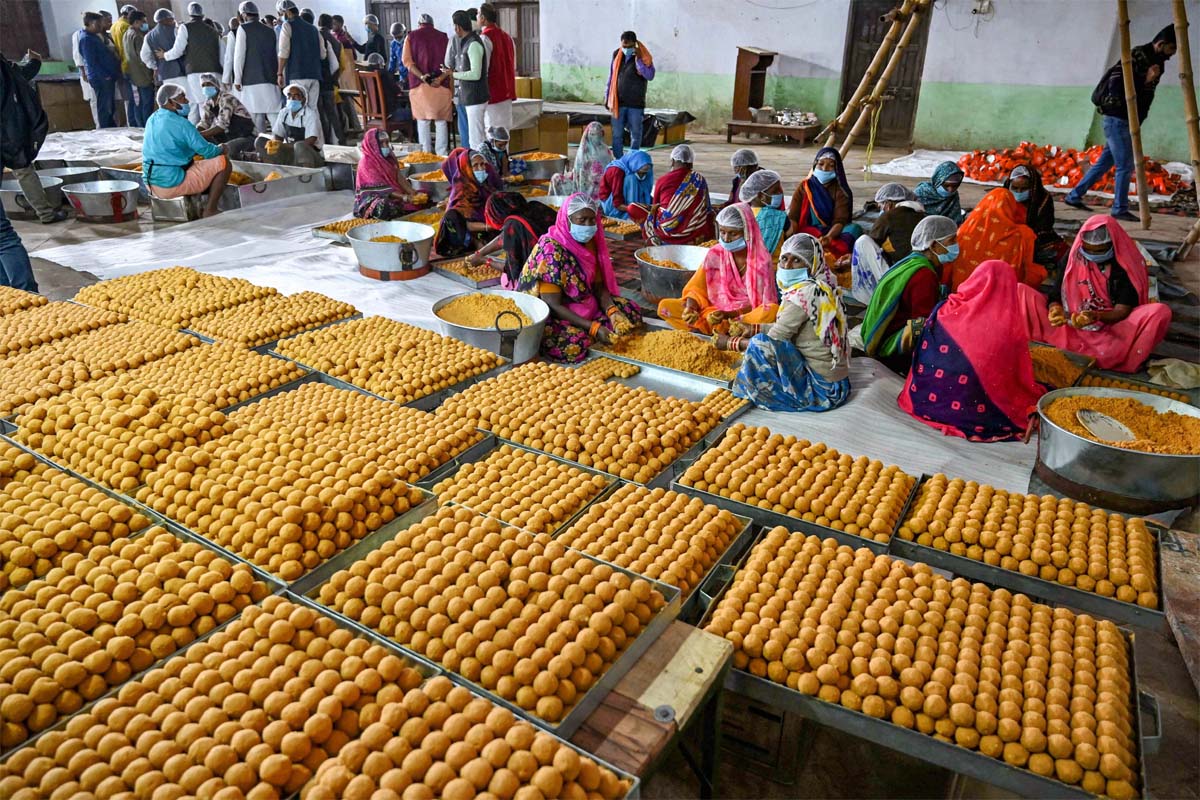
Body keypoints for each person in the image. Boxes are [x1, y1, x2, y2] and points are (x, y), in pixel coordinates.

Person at [900, 260, 1045, 442]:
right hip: (973, 412)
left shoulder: (944, 309)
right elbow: (1010, 375)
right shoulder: (1005, 327)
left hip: (923, 400)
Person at [1018, 215, 1171, 373]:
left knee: (1159, 312)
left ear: (1113, 245)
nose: (1093, 255)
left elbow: (1122, 310)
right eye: (1088, 250)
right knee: (1020, 292)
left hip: (1110, 329)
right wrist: (1054, 308)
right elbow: (1056, 293)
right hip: (1069, 323)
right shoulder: (1073, 257)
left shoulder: (1125, 264)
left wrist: (1096, 316)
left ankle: (1114, 357)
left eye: (1100, 251)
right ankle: (1062, 344)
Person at [718, 233, 850, 412]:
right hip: (837, 382)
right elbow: (789, 328)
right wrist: (753, 328)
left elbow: (773, 341)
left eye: (797, 260)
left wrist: (731, 343)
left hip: (823, 390)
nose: (787, 266)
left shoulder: (804, 295)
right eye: (784, 259)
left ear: (811, 264)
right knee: (761, 338)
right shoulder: (823, 286)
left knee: (758, 346)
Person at [1066, 25, 1177, 220]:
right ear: (1160, 44)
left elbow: (1144, 95)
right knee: (1125, 165)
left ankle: (1074, 196)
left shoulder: (1157, 61)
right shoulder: (1136, 57)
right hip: (1117, 119)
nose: (1170, 56)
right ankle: (1119, 209)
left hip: (1126, 120)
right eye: (1170, 50)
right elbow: (1122, 90)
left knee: (1104, 163)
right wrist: (1147, 79)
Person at [518, 194, 643, 363]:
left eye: (592, 220)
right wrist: (593, 328)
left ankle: (600, 328)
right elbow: (553, 305)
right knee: (574, 345)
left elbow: (598, 287)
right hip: (557, 314)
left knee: (630, 312)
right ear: (567, 220)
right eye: (581, 220)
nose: (588, 225)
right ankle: (594, 333)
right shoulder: (551, 250)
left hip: (586, 304)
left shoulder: (590, 243)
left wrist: (612, 312)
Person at [658, 203, 779, 335]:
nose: (726, 239)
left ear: (747, 232)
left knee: (771, 311)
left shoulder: (761, 261)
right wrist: (691, 308)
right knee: (665, 306)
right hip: (712, 310)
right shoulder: (716, 253)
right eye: (723, 232)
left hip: (740, 315)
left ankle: (715, 328)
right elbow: (697, 288)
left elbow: (760, 303)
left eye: (733, 234)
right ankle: (717, 329)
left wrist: (728, 314)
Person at [860, 214, 954, 361]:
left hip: (883, 332)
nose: (956, 245)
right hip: (890, 346)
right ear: (934, 245)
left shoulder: (911, 261)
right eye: (952, 241)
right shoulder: (924, 275)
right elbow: (925, 324)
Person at [143, 82, 232, 218]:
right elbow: (208, 151)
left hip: (150, 183)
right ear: (170, 102)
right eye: (182, 97)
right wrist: (221, 148)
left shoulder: (152, 119)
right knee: (223, 162)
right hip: (170, 183)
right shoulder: (181, 124)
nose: (187, 101)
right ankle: (210, 209)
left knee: (197, 163)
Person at [1, 52, 67, 226]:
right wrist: (34, 62)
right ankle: (45, 213)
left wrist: (34, 62)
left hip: (7, 128)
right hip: (7, 130)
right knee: (23, 169)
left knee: (23, 170)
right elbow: (20, 74)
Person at [952, 185, 1045, 290]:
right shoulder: (1022, 235)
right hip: (1001, 298)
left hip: (961, 293)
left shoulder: (965, 230)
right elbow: (1027, 272)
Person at [851, 182, 925, 304]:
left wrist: (851, 258)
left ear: (889, 204)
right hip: (919, 271)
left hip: (900, 275)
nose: (881, 210)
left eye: (881, 206)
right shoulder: (921, 214)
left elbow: (872, 242)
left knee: (862, 242)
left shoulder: (888, 217)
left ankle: (880, 291)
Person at [627, 144, 714, 245]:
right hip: (694, 231)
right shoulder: (699, 179)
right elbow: (707, 207)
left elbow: (656, 206)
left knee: (632, 208)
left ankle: (658, 238)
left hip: (666, 231)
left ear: (672, 161)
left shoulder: (663, 180)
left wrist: (674, 214)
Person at [468, 191, 557, 288]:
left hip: (546, 270)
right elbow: (502, 238)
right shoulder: (533, 206)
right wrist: (479, 253)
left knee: (506, 280)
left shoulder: (513, 225)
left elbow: (512, 269)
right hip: (562, 258)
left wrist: (485, 260)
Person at [788, 147, 856, 256]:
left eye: (831, 165)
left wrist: (829, 236)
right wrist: (789, 234)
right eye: (821, 164)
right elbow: (793, 216)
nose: (825, 168)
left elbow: (840, 220)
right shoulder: (804, 186)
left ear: (837, 169)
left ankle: (832, 252)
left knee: (854, 229)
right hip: (809, 230)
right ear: (815, 165)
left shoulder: (841, 190)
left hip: (833, 232)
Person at [434, 147, 500, 258]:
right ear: (466, 168)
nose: (481, 169)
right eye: (475, 166)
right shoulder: (461, 190)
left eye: (483, 164)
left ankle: (483, 242)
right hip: (464, 234)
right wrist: (488, 227)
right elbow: (462, 224)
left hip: (486, 229)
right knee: (451, 217)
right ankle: (474, 243)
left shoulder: (486, 187)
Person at [276, 0, 332, 129]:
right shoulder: (313, 29)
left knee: (298, 111)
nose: (281, 16)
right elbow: (323, 54)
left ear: (287, 12)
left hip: (297, 75)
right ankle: (317, 143)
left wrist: (279, 73)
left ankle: (301, 142)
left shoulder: (287, 26)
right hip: (314, 76)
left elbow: (283, 52)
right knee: (313, 111)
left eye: (281, 13)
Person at [164, 2, 222, 123]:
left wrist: (164, 55)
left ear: (189, 14)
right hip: (214, 71)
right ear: (202, 14)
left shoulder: (185, 28)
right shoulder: (213, 31)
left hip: (195, 72)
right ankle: (217, 132)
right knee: (215, 104)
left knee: (202, 104)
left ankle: (207, 133)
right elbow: (222, 55)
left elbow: (178, 50)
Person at [1005, 165, 1068, 275]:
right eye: (1015, 188)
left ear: (1033, 187)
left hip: (1036, 239)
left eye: (1024, 189)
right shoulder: (1003, 197)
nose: (1019, 192)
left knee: (1063, 252)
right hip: (1007, 237)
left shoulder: (1043, 199)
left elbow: (1045, 226)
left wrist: (1025, 238)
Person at [404, 13, 452, 156]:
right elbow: (450, 63)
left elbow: (407, 62)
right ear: (432, 24)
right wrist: (441, 78)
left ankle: (426, 155)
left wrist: (422, 76)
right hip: (441, 85)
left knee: (423, 121)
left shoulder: (411, 36)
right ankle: (442, 154)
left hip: (419, 85)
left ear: (419, 24)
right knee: (441, 121)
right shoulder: (443, 37)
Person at [353, 128, 425, 220]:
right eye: (382, 143)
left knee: (424, 194)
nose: (386, 146)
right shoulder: (366, 163)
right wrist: (405, 198)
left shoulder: (390, 157)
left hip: (396, 194)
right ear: (373, 145)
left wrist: (413, 193)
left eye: (387, 142)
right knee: (384, 206)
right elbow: (379, 189)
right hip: (374, 198)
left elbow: (399, 177)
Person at [605, 31, 654, 158]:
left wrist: (638, 60)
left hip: (635, 104)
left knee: (636, 134)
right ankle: (619, 161)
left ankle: (632, 158)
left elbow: (650, 75)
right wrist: (607, 97)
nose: (626, 49)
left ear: (635, 44)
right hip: (618, 102)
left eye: (629, 47)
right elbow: (611, 77)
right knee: (617, 134)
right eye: (624, 46)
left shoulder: (643, 56)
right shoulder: (617, 54)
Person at [233, 1, 281, 133]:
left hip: (250, 81)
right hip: (270, 79)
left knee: (257, 118)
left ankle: (262, 149)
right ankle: (281, 147)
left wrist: (237, 79)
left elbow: (239, 57)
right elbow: (278, 55)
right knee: (275, 117)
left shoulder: (243, 29)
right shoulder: (271, 31)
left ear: (243, 14)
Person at [447, 9, 490, 150]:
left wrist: (453, 74)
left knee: (476, 141)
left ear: (458, 27)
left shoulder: (473, 44)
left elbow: (475, 74)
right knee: (476, 138)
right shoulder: (467, 42)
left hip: (475, 97)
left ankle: (481, 168)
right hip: (470, 97)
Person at [258, 82, 323, 166]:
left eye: (296, 96)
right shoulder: (284, 112)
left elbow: (310, 142)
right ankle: (274, 170)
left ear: (303, 99)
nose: (292, 98)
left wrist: (284, 146)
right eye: (289, 95)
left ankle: (305, 176)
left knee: (300, 146)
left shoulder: (310, 115)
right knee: (260, 142)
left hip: (310, 156)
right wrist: (274, 144)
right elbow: (278, 135)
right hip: (290, 154)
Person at [78, 12, 120, 129]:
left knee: (109, 106)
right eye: (99, 23)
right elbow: (91, 62)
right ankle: (106, 130)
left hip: (107, 76)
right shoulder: (86, 39)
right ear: (91, 23)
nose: (101, 26)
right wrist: (104, 75)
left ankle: (111, 128)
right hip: (101, 78)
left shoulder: (93, 36)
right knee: (104, 107)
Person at [197, 73, 255, 157]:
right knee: (203, 144)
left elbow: (222, 125)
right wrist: (193, 133)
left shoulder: (226, 98)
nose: (206, 87)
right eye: (203, 85)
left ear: (216, 85)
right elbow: (204, 123)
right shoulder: (208, 103)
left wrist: (200, 135)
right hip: (228, 136)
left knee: (227, 150)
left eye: (209, 84)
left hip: (246, 136)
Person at [549, 122, 611, 199]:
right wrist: (572, 174)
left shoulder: (603, 151)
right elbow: (578, 172)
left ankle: (559, 205)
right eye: (593, 134)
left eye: (597, 134)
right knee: (556, 178)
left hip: (593, 192)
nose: (596, 137)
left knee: (556, 178)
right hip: (590, 190)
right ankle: (555, 203)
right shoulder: (585, 150)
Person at [479, 3, 515, 131]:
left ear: (483, 18)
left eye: (478, 15)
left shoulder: (484, 38)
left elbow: (484, 68)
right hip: (507, 89)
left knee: (492, 132)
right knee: (504, 132)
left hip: (493, 91)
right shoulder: (508, 37)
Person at [738, 169, 788, 257]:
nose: (780, 193)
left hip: (750, 266)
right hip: (775, 267)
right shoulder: (779, 217)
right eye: (776, 191)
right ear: (761, 196)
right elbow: (790, 238)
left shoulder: (742, 214)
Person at [597, 150, 653, 221]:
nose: (643, 175)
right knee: (631, 179)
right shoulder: (617, 171)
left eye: (645, 173)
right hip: (612, 204)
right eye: (641, 173)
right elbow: (617, 203)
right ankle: (627, 215)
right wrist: (636, 209)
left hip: (627, 200)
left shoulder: (635, 168)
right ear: (634, 165)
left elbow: (645, 189)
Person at [315, 14, 344, 146]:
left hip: (318, 81)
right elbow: (340, 66)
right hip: (331, 82)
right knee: (333, 113)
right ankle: (340, 140)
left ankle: (326, 143)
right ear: (330, 25)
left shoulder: (314, 37)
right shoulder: (336, 41)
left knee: (321, 115)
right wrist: (334, 79)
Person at [121, 12, 154, 127]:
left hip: (134, 74)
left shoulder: (126, 34)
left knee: (139, 103)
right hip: (143, 75)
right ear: (136, 22)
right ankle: (147, 126)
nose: (145, 24)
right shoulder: (137, 36)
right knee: (147, 103)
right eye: (143, 22)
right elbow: (143, 58)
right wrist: (151, 72)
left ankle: (140, 126)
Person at [142, 9, 187, 85]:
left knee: (172, 95)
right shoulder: (178, 30)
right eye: (172, 19)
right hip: (182, 71)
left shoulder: (149, 36)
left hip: (165, 74)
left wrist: (156, 67)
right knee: (186, 95)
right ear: (168, 19)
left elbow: (144, 56)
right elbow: (181, 50)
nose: (173, 21)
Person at [363, 52, 408, 124]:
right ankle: (411, 135)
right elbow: (397, 91)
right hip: (389, 113)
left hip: (374, 115)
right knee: (412, 113)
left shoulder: (365, 76)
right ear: (380, 64)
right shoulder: (384, 74)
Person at [110, 5, 135, 127]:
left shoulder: (114, 26)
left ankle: (131, 122)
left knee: (128, 97)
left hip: (120, 64)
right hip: (128, 64)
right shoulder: (126, 26)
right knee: (133, 98)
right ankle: (133, 123)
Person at [72, 17, 99, 128]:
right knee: (94, 100)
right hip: (89, 72)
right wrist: (83, 72)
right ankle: (99, 125)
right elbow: (78, 56)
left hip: (98, 73)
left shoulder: (95, 35)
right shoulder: (79, 35)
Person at [221, 16, 240, 85]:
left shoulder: (232, 34)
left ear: (229, 27)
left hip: (237, 71)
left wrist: (225, 79)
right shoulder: (247, 31)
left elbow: (229, 58)